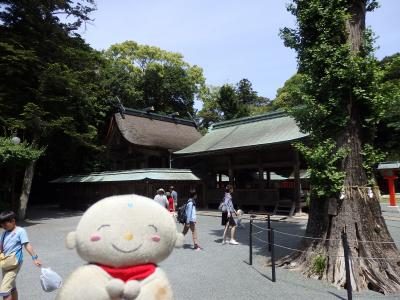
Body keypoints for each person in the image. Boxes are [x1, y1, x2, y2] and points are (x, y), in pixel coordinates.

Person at [0, 211, 42, 300]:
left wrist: (35, 258)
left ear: (13, 221)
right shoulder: (4, 234)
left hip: (14, 262)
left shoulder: (20, 231)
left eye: (5, 223)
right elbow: (1, 248)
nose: (3, 225)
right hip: (5, 263)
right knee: (11, 286)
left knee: (4, 290)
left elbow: (27, 245)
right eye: (1, 223)